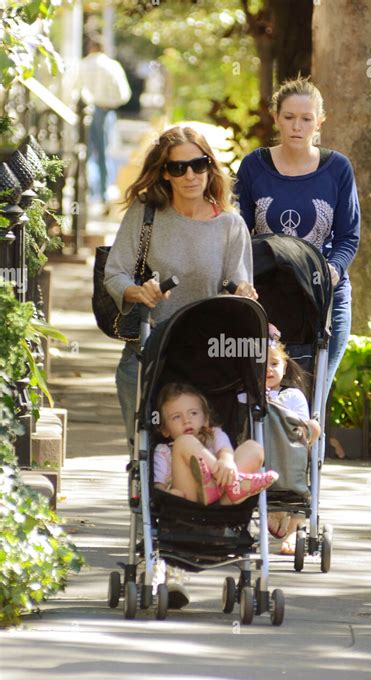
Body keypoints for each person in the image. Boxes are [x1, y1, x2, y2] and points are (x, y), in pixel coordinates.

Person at [104, 125, 257, 449]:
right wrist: (139, 291)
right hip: (149, 353)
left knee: (206, 448)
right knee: (147, 453)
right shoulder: (146, 215)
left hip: (208, 359)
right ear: (164, 174)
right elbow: (115, 274)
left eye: (198, 164)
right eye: (178, 167)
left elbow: (237, 286)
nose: (190, 175)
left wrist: (242, 292)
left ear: (210, 166)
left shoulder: (230, 225)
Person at [235, 75, 360, 390]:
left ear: (319, 123)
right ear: (276, 118)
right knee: (264, 398)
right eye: (289, 117)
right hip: (269, 299)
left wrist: (332, 269)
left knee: (311, 401)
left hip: (323, 301)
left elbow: (348, 237)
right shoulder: (254, 166)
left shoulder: (338, 169)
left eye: (306, 119)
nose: (296, 126)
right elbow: (237, 232)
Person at [153, 382, 278, 505]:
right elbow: (159, 485)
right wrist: (167, 497)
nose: (187, 421)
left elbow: (225, 450)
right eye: (176, 417)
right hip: (190, 498)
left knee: (253, 447)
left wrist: (226, 461)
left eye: (193, 413)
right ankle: (234, 482)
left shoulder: (214, 434)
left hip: (223, 500)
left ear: (206, 419)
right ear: (165, 429)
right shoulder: (163, 451)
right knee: (183, 441)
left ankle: (232, 486)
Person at [265, 340, 321, 554]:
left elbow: (304, 429)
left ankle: (294, 528)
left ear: (285, 367)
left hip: (288, 456)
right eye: (262, 364)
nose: (268, 369)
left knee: (311, 428)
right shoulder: (246, 395)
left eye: (274, 364)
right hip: (258, 460)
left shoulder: (292, 396)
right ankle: (273, 511)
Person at [77, 36, 132, 204]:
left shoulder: (83, 65)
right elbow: (123, 94)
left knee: (86, 151)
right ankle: (102, 192)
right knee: (103, 152)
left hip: (84, 111)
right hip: (105, 110)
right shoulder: (111, 66)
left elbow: (73, 88)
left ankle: (87, 190)